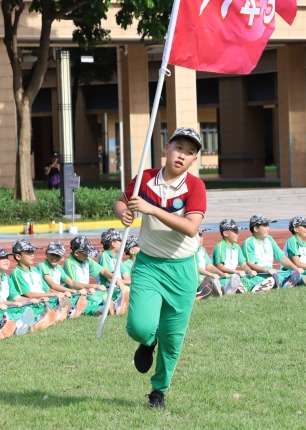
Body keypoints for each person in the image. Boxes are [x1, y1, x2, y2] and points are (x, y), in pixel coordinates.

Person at [114, 127, 206, 409]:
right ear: (167, 148)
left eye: (190, 153)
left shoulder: (195, 186)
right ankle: (147, 340)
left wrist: (152, 210)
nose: (182, 156)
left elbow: (191, 228)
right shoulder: (144, 178)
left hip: (182, 269)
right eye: (179, 148)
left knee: (172, 337)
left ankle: (158, 391)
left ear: (193, 161)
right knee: (140, 328)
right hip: (149, 265)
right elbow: (120, 201)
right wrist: (124, 213)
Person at [63, 236, 130, 316]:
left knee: (102, 295)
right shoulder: (69, 263)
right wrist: (95, 286)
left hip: (87, 292)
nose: (88, 255)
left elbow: (103, 271)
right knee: (90, 300)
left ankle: (113, 305)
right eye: (85, 253)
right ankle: (101, 309)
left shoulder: (87, 260)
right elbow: (74, 284)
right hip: (74, 295)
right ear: (76, 253)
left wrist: (117, 280)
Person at [241, 214, 302, 289]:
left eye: (268, 226)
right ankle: (284, 283)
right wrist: (266, 270)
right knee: (274, 277)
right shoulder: (249, 242)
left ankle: (294, 281)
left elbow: (281, 257)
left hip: (271, 270)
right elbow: (251, 264)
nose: (268, 228)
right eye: (265, 226)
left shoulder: (269, 239)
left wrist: (295, 268)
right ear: (256, 229)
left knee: (290, 273)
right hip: (259, 272)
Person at [36, 241, 88, 318]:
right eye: (52, 254)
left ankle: (98, 310)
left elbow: (71, 282)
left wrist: (85, 289)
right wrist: (73, 291)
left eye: (58, 255)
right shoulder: (42, 265)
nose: (55, 257)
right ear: (46, 253)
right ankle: (69, 312)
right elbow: (52, 285)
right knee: (69, 301)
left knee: (78, 301)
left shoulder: (59, 268)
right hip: (46, 296)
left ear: (63, 257)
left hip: (56, 295)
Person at [210, 219, 247, 294]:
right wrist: (236, 271)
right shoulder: (220, 246)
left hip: (233, 276)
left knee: (248, 279)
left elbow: (243, 264)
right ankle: (225, 288)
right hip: (222, 277)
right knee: (229, 281)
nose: (237, 234)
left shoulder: (237, 247)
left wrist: (249, 271)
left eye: (238, 232)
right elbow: (219, 267)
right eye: (235, 231)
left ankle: (240, 287)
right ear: (225, 233)